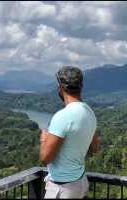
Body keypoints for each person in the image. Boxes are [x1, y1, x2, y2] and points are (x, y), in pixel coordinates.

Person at [39, 66, 99, 199]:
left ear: (59, 87)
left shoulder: (62, 116)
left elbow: (45, 158)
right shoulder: (90, 112)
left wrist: (43, 139)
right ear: (81, 86)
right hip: (80, 182)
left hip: (62, 188)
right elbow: (94, 148)